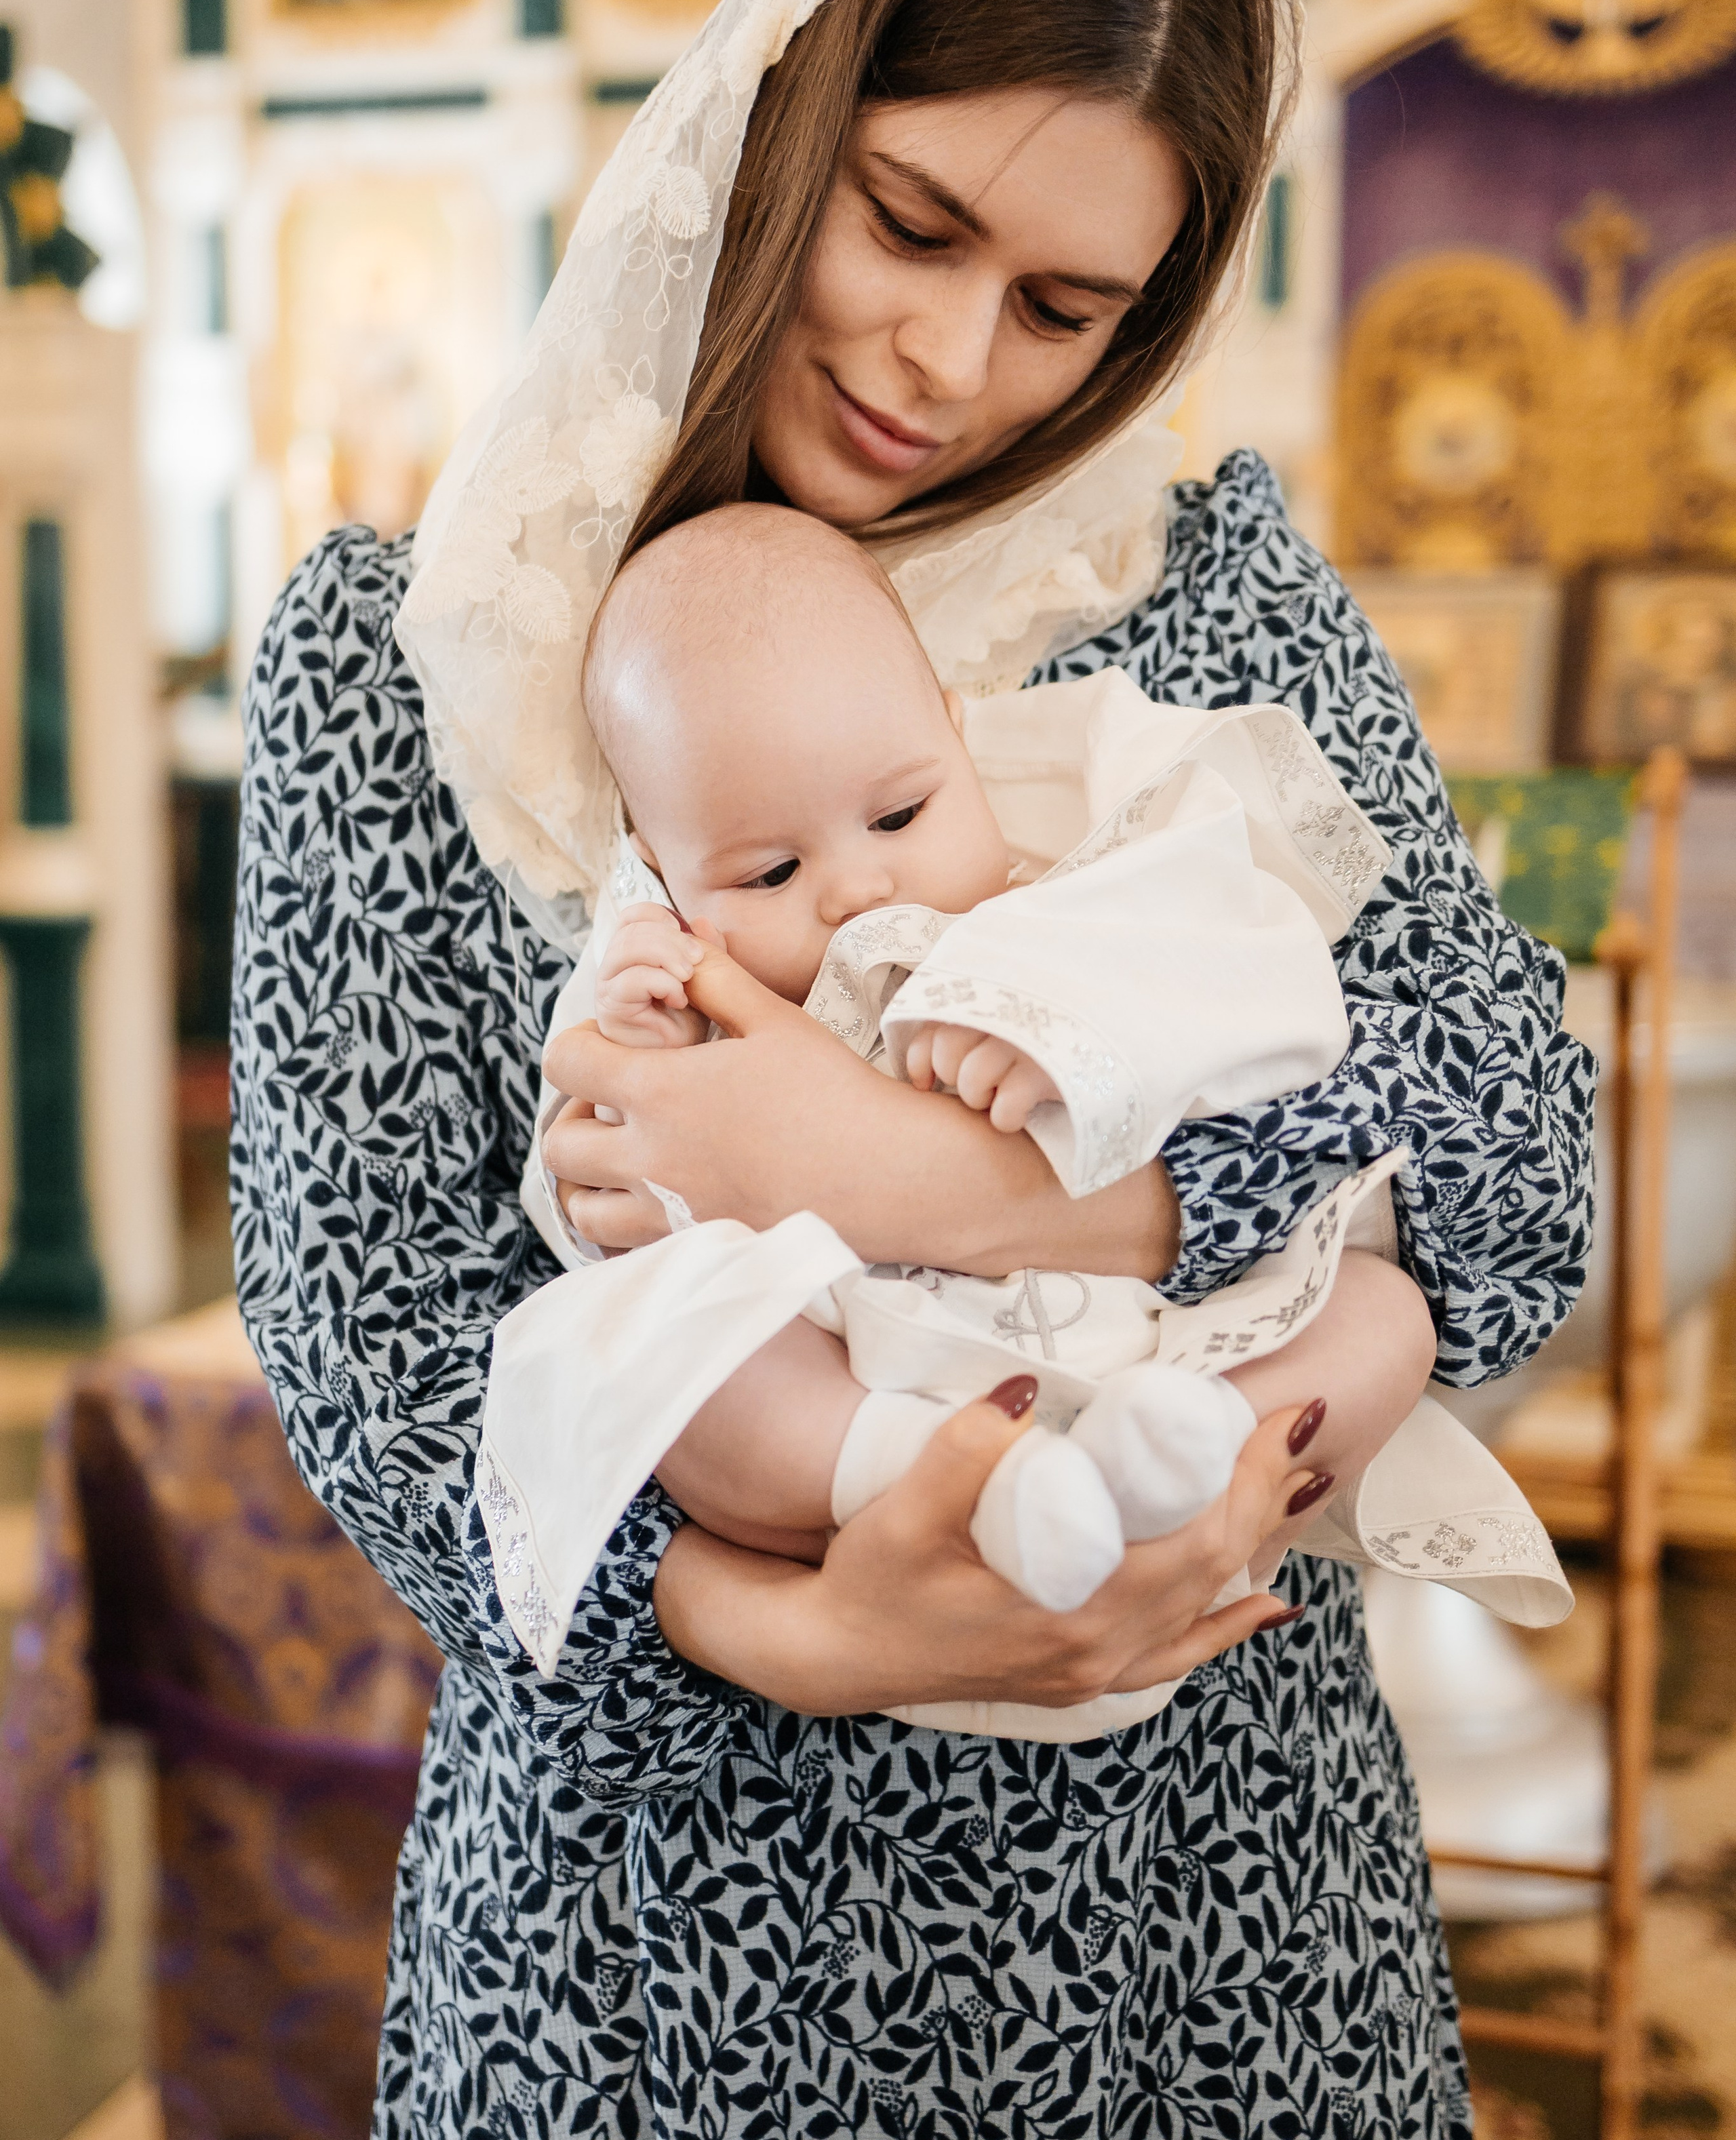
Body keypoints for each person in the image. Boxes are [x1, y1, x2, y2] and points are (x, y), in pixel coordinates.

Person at [231, 0, 1595, 2140]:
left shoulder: (1203, 596)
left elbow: (1507, 1152)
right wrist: (805, 1626)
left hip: (1207, 1919)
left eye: (1064, 307)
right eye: (913, 223)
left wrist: (905, 1171)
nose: (952, 362)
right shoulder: (399, 655)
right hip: (663, 1933)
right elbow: (365, 1321)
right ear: (783, 125)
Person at [476, 502, 1564, 1729]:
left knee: (1384, 1321)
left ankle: (1182, 1459)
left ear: (956, 731)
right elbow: (590, 1198)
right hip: (862, 1403)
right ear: (661, 869)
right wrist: (644, 1037)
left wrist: (1074, 1037)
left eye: (898, 815)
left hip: (1158, 1354)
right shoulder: (683, 975)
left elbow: (1285, 1009)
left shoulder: (1079, 878)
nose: (856, 885)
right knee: (667, 1373)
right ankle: (961, 1480)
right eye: (767, 874)